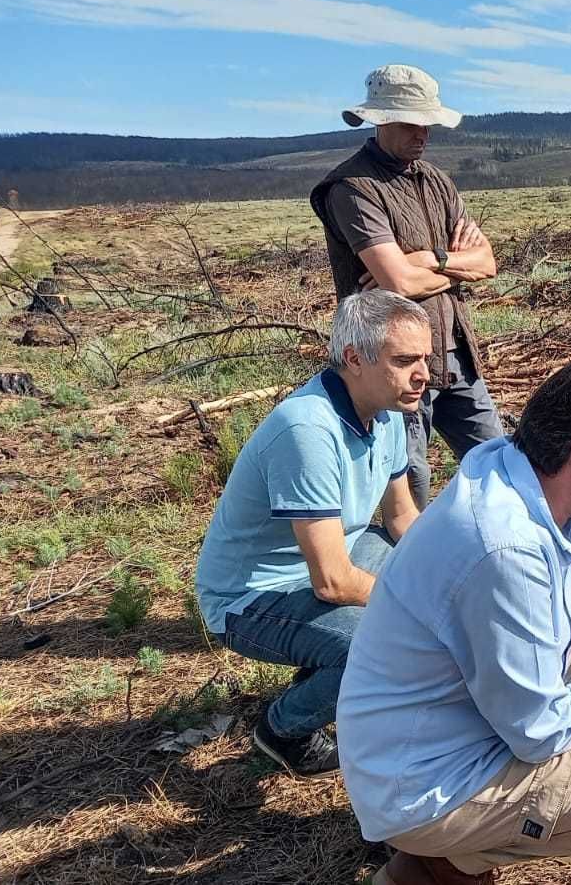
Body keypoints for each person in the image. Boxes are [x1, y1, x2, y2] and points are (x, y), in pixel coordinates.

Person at [337, 358, 571, 885]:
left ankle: (503, 819)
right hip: (423, 785)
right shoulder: (506, 550)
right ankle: (452, 857)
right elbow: (537, 730)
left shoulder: (515, 469)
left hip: (424, 736)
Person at [194, 290, 429, 777]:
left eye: (425, 358)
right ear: (354, 359)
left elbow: (402, 517)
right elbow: (333, 582)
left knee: (415, 573)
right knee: (386, 644)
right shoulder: (307, 430)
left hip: (334, 554)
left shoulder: (386, 412)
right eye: (405, 360)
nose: (423, 374)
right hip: (252, 597)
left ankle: (326, 666)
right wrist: (420, 605)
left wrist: (449, 575)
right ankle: (284, 728)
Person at [309, 64, 505, 508]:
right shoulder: (352, 187)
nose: (423, 133)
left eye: (427, 122)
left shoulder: (437, 181)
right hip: (389, 358)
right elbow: (396, 281)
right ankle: (405, 554)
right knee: (408, 480)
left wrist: (430, 259)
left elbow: (487, 262)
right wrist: (446, 265)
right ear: (381, 120)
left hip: (456, 352)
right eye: (411, 122)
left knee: (497, 461)